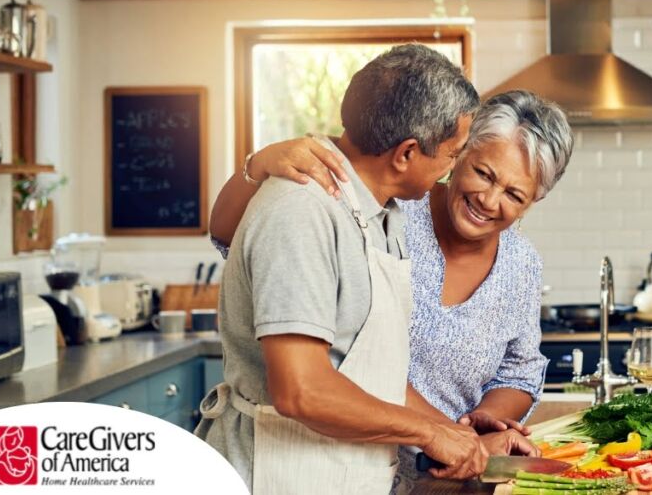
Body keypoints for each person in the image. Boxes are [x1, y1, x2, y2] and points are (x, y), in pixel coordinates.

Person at [209, 90, 575, 491]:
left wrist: (471, 431)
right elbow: (233, 235)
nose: (488, 200)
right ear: (459, 155)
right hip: (333, 458)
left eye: (514, 195)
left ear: (531, 203)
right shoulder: (392, 208)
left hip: (448, 472)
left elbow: (519, 370)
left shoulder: (521, 262)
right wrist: (257, 166)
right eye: (484, 174)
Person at [194, 44, 491, 494]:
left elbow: (372, 377)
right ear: (407, 153)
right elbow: (302, 391)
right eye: (452, 155)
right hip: (278, 476)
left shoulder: (383, 213)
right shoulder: (302, 211)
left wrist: (465, 440)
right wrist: (430, 434)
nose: (452, 171)